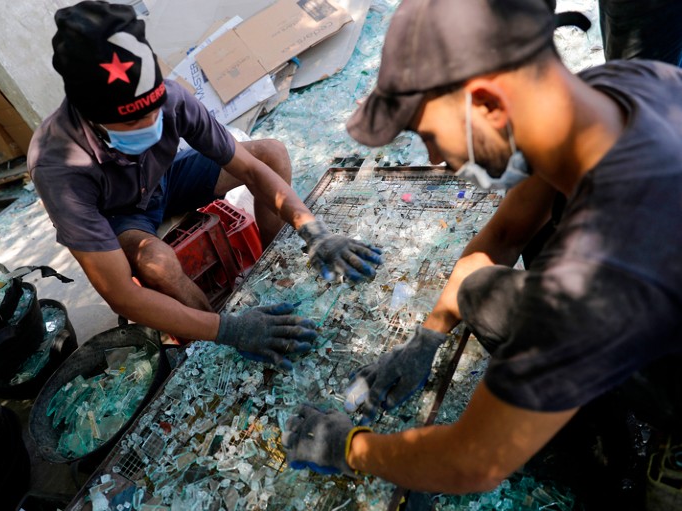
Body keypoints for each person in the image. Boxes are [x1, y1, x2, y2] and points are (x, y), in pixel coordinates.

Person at [281, 0, 682, 502]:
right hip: (650, 293)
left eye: (429, 134)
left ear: (490, 104)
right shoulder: (621, 85)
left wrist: (349, 446)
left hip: (655, 336)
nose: (434, 159)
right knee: (480, 287)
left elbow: (472, 464)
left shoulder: (598, 268)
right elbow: (504, 235)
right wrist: (425, 342)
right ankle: (591, 400)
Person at [28, 1, 382, 370]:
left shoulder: (171, 99)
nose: (151, 127)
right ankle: (222, 327)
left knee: (270, 154)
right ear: (93, 119)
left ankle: (272, 274)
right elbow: (120, 294)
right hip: (121, 217)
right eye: (133, 124)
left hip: (164, 180)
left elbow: (250, 169)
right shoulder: (58, 165)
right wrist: (232, 329)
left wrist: (316, 233)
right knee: (158, 263)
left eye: (154, 114)